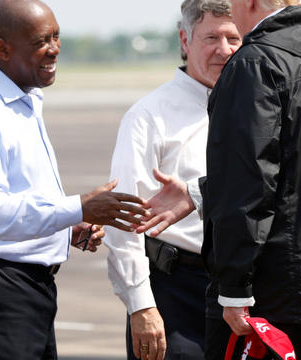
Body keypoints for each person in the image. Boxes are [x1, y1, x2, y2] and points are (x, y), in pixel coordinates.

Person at [140, 1, 301, 359]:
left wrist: (233, 290)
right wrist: (202, 192)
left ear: (250, 3)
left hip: (283, 302)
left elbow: (248, 184)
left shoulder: (256, 63)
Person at [0, 1, 149, 359]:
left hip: (25, 286)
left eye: (56, 36)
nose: (54, 49)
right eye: (40, 41)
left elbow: (20, 197)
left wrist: (69, 226)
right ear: (2, 48)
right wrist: (76, 206)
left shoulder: (24, 100)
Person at [104, 1, 241, 360]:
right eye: (211, 37)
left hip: (242, 293)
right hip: (175, 294)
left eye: (233, 37)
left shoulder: (258, 110)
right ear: (185, 40)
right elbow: (123, 219)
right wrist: (141, 306)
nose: (223, 49)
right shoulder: (149, 116)